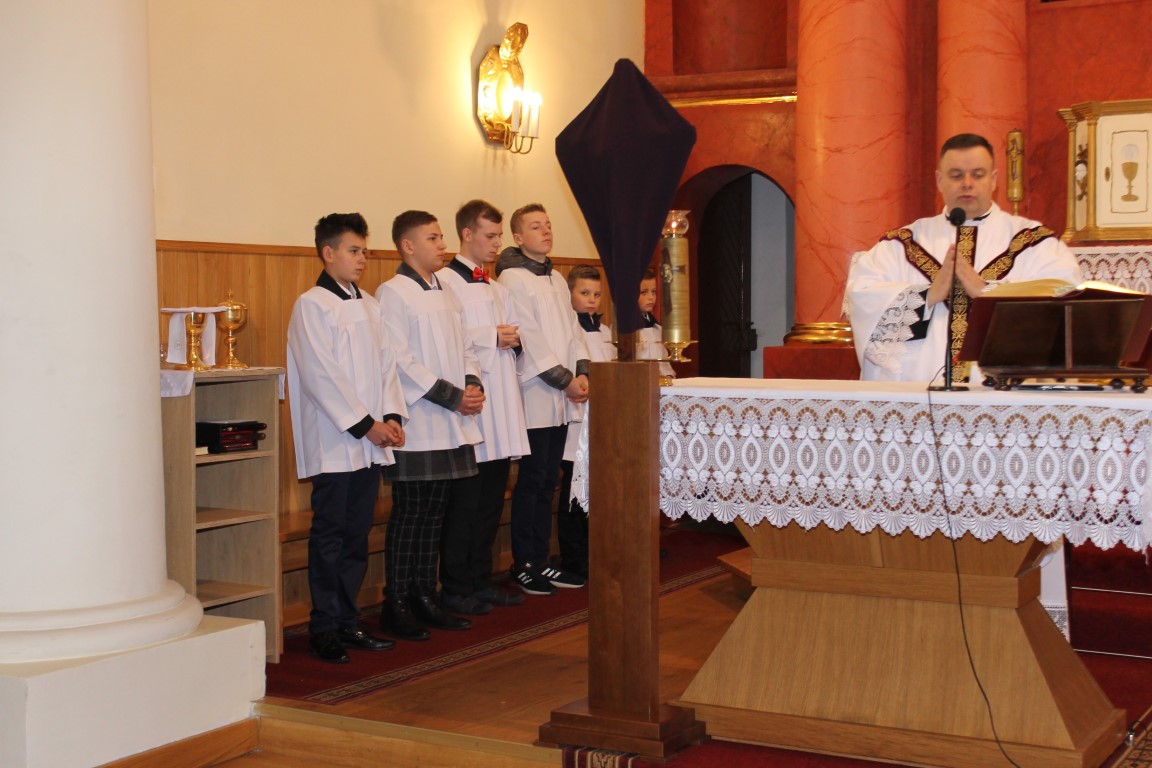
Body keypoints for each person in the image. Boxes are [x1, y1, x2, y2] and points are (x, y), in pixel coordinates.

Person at [846, 133, 1082, 384]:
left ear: (994, 180)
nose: (967, 184)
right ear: (940, 180)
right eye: (956, 175)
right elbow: (862, 297)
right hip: (919, 396)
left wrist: (986, 293)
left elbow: (1064, 300)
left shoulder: (1036, 243)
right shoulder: (900, 244)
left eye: (978, 175)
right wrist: (927, 296)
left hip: (1001, 399)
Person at [287, 212, 406, 664]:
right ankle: (324, 626)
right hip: (336, 440)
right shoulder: (312, 305)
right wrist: (365, 424)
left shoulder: (371, 306)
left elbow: (387, 366)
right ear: (328, 252)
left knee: (357, 532)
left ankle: (348, 618)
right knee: (331, 533)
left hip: (370, 441)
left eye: (364, 251)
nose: (362, 259)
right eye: (354, 251)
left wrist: (390, 415)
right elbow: (321, 375)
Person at [375, 210, 485, 640]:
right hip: (419, 420)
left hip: (452, 420)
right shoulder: (393, 292)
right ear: (408, 246)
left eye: (441, 237)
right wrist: (450, 395)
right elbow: (398, 359)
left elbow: (467, 346)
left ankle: (426, 593)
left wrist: (472, 383)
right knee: (411, 513)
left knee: (436, 512)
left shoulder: (447, 290)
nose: (443, 245)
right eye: (433, 238)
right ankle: (397, 601)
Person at [435, 200, 531, 614]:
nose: (496, 244)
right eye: (490, 236)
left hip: (501, 402)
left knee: (492, 499)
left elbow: (517, 337)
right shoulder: (443, 282)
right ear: (467, 234)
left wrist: (514, 338)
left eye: (499, 236)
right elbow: (446, 338)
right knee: (466, 503)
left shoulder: (497, 287)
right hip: (470, 404)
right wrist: (492, 334)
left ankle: (480, 578)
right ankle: (456, 585)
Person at [495, 203, 590, 596]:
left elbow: (573, 331)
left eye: (548, 225)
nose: (546, 231)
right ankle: (525, 563)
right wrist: (566, 380)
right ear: (518, 237)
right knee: (533, 481)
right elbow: (528, 337)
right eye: (536, 226)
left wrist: (583, 371)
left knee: (549, 479)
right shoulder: (512, 278)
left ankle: (542, 560)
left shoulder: (555, 278)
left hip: (561, 397)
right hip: (536, 393)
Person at [556, 265, 616, 579]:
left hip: (602, 424)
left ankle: (597, 552)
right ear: (569, 295)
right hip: (576, 424)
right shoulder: (568, 332)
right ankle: (573, 558)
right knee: (573, 493)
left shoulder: (606, 333)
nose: (592, 299)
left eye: (596, 294)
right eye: (584, 293)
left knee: (597, 492)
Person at [636, 268, 675, 380]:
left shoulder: (657, 328)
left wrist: (668, 375)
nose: (651, 297)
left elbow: (664, 363)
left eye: (653, 291)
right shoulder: (626, 329)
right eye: (643, 292)